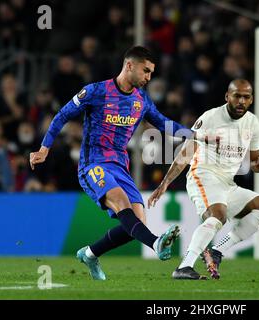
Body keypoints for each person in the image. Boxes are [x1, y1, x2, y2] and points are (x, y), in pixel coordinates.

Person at [30, 46, 193, 280]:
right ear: (129, 65)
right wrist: (44, 148)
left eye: (151, 73)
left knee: (135, 223)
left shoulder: (141, 101)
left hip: (119, 166)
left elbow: (165, 124)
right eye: (146, 71)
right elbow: (63, 114)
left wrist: (196, 136)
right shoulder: (96, 91)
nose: (149, 77)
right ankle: (156, 243)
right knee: (121, 202)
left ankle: (89, 253)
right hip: (93, 163)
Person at [148, 79, 259, 280]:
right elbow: (185, 153)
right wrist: (164, 183)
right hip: (203, 174)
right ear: (227, 96)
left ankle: (217, 251)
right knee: (218, 215)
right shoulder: (211, 118)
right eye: (237, 96)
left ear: (251, 99)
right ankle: (184, 266)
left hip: (227, 183)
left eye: (246, 97)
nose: (241, 101)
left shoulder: (252, 123)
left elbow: (254, 162)